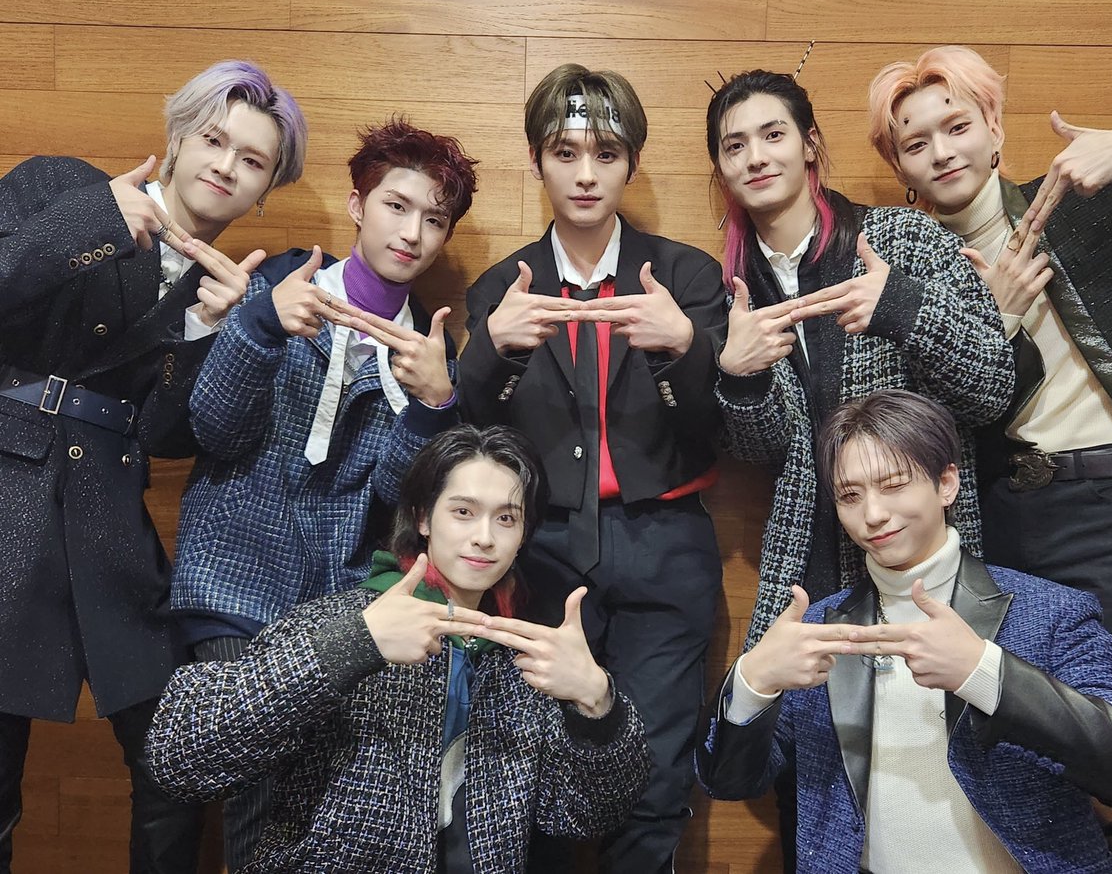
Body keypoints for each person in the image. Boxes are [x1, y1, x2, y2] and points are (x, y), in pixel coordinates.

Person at [0, 60, 306, 873]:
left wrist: (207, 327)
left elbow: (168, 436)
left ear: (264, 191)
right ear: (175, 136)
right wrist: (96, 221)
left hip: (108, 528)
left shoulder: (220, 286)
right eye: (213, 139)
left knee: (174, 762)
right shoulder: (63, 187)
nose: (226, 166)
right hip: (9, 502)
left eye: (252, 161)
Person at [695, 389, 1112, 874]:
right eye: (850, 495)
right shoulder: (819, 629)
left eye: (894, 485)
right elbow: (729, 783)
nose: (873, 515)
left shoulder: (1049, 611)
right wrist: (754, 681)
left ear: (946, 483)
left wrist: (987, 673)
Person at [169, 117, 475, 868]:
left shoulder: (426, 349)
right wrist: (262, 327)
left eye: (434, 220)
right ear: (357, 205)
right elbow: (215, 430)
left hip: (335, 607)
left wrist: (434, 404)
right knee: (232, 802)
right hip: (233, 586)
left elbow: (395, 502)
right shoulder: (279, 289)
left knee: (305, 811)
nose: (412, 233)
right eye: (396, 206)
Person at [147, 424, 650, 873]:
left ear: (522, 536)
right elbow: (178, 756)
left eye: (506, 519)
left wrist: (596, 702)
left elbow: (583, 816)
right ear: (423, 518)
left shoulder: (521, 658)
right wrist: (354, 645)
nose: (484, 538)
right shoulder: (341, 621)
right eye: (463, 512)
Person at [866, 46, 1112, 712]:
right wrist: (998, 323)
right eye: (916, 144)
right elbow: (933, 423)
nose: (941, 152)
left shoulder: (1085, 203)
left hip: (1109, 502)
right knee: (1017, 738)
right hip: (993, 520)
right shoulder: (907, 278)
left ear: (994, 127)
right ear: (899, 167)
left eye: (957, 126)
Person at [457, 63, 726, 871]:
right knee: (531, 772)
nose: (584, 174)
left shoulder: (684, 276)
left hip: (664, 540)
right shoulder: (503, 285)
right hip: (539, 547)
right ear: (536, 160)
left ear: (631, 162)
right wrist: (491, 350)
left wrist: (685, 349)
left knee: (657, 776)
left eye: (605, 154)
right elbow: (473, 436)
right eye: (565, 153)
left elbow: (720, 429)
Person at [705, 68, 1013, 644]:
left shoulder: (904, 238)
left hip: (921, 548)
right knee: (786, 696)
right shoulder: (733, 293)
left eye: (773, 135)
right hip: (808, 555)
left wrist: (899, 305)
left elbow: (991, 389)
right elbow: (762, 450)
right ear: (722, 168)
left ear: (809, 144)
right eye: (735, 146)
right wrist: (741, 377)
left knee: (936, 693)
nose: (756, 158)